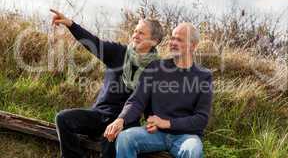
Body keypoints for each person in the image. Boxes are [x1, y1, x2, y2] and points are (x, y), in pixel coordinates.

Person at [50, 9, 164, 158]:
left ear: (154, 41)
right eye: (135, 31)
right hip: (99, 115)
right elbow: (93, 42)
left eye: (141, 33)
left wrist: (153, 123)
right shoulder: (118, 52)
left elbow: (151, 103)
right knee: (63, 119)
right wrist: (71, 25)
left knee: (112, 141)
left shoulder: (156, 70)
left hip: (125, 123)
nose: (135, 35)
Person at [105, 22, 213, 158]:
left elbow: (201, 119)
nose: (173, 42)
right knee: (125, 138)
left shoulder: (204, 76)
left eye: (179, 39)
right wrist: (121, 119)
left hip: (186, 137)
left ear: (193, 46)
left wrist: (166, 123)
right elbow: (137, 100)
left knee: (193, 150)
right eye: (172, 38)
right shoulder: (155, 67)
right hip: (154, 133)